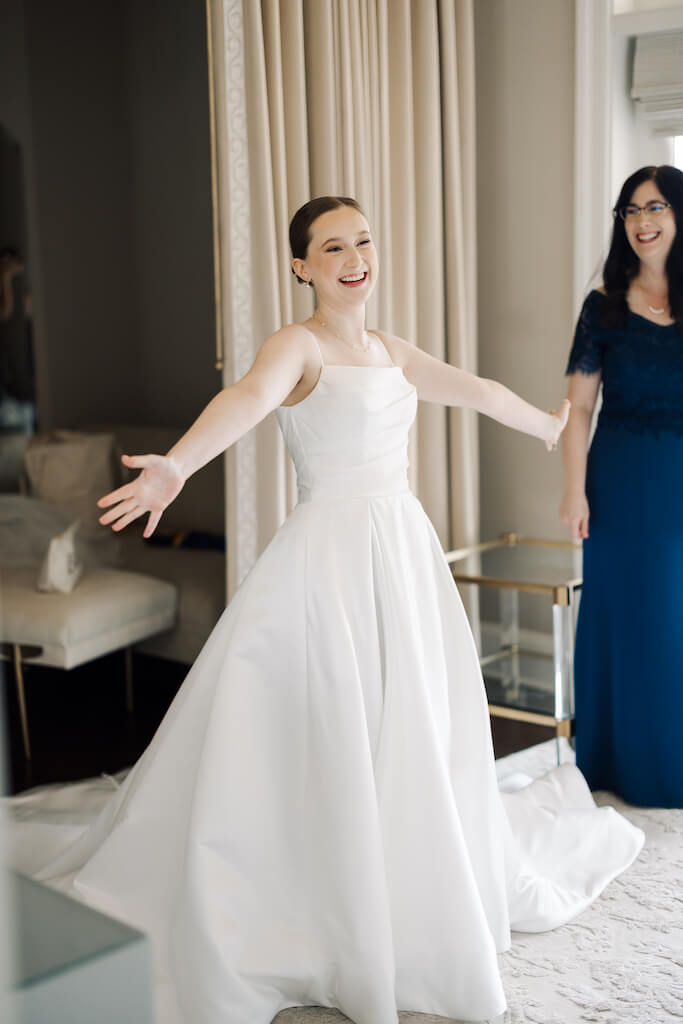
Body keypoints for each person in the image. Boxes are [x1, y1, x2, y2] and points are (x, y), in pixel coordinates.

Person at [25, 197, 642, 1024]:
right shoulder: (297, 345)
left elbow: (475, 389)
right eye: (330, 246)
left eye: (361, 240)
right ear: (301, 265)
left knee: (408, 717)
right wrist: (175, 465)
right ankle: (322, 893)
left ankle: (405, 871)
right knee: (325, 723)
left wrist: (545, 423)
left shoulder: (389, 349)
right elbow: (246, 398)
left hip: (402, 554)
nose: (353, 257)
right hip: (328, 557)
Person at [560, 165, 683, 808]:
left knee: (673, 619)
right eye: (631, 211)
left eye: (656, 206)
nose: (642, 221)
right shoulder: (603, 305)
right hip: (619, 476)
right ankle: (615, 764)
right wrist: (574, 491)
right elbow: (578, 409)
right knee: (622, 616)